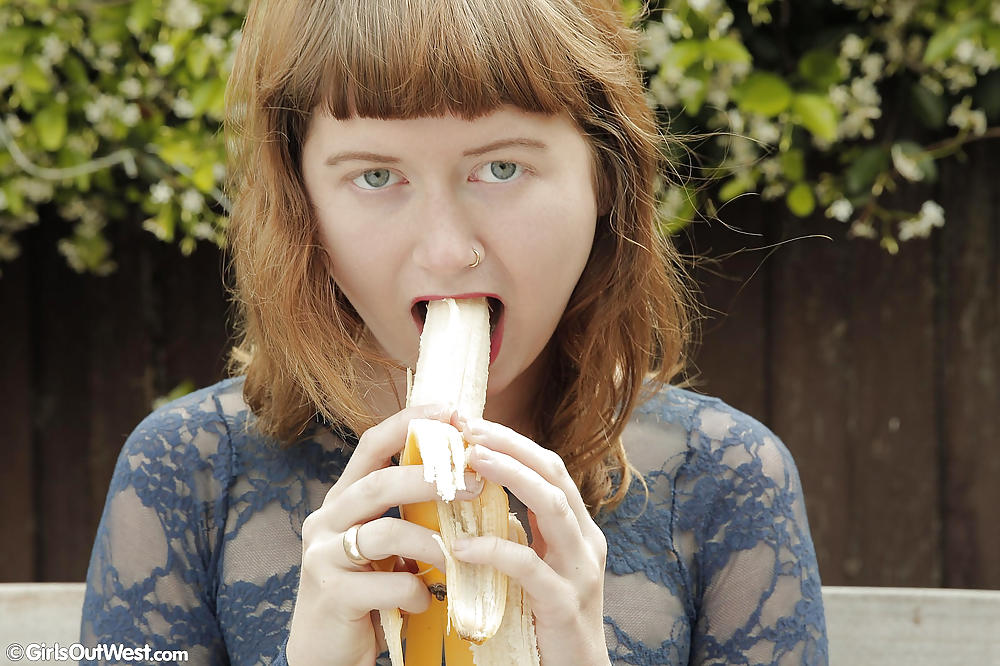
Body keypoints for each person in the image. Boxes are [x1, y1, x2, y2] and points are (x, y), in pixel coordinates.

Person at [81, 0, 828, 664]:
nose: (445, 251)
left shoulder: (726, 483)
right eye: (375, 176)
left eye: (500, 167)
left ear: (606, 178)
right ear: (301, 205)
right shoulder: (186, 477)